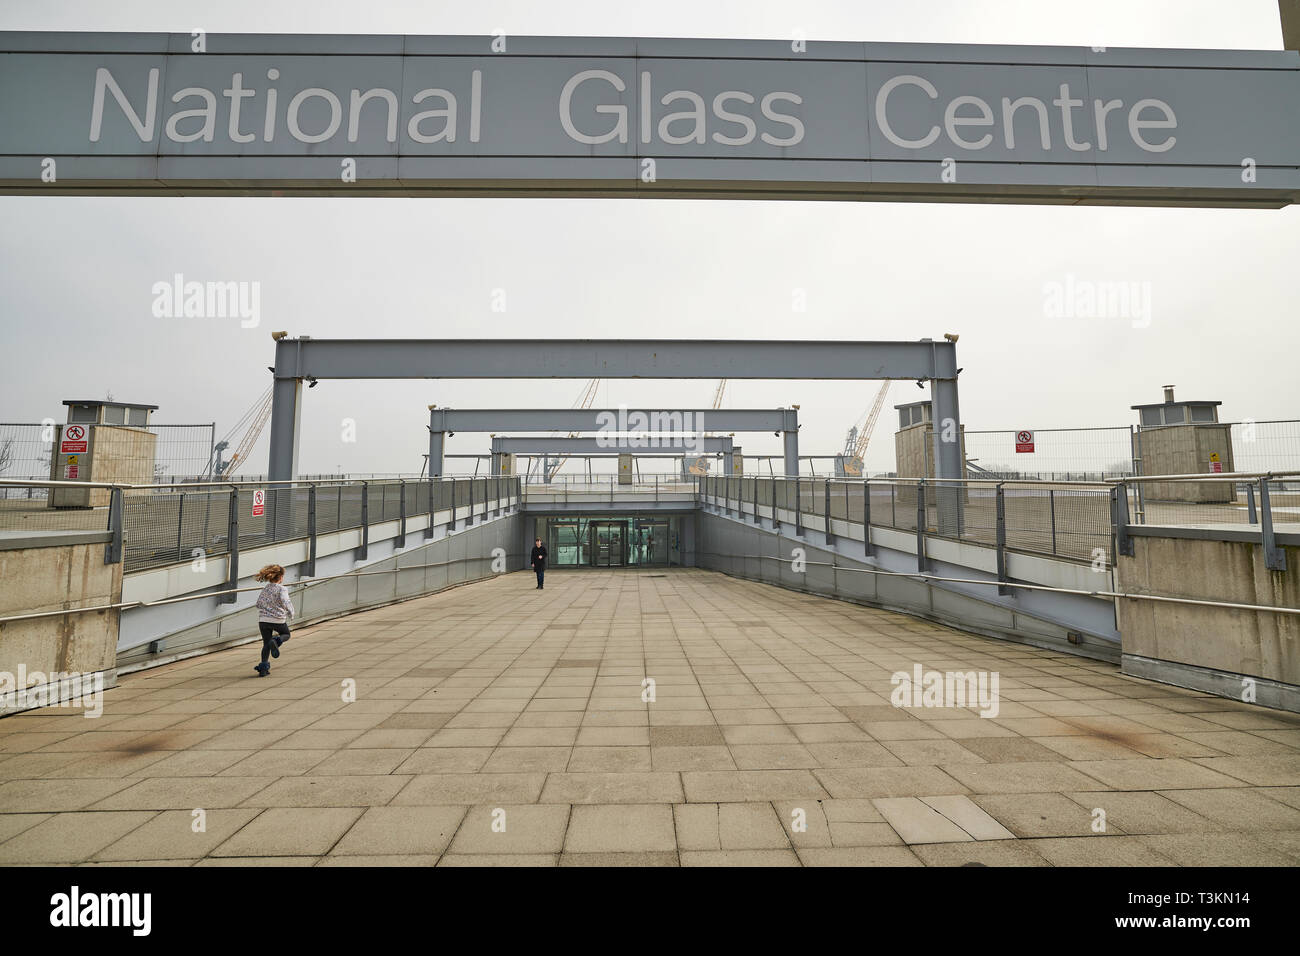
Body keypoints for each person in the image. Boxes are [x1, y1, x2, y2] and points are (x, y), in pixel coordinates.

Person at [253, 564, 294, 676]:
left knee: (266, 644)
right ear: (280, 577)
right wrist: (291, 612)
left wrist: (267, 609)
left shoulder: (266, 588)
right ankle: (276, 641)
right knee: (286, 634)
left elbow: (258, 603)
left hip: (263, 620)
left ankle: (263, 669)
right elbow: (286, 602)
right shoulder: (282, 589)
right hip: (277, 619)